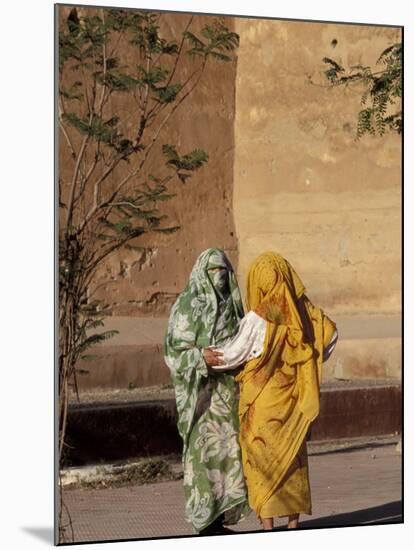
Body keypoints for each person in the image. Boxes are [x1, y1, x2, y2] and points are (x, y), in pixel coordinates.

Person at [209, 251, 338, 530]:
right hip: (294, 402)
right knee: (293, 461)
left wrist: (203, 356)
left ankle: (267, 528)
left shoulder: (259, 318)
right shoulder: (308, 313)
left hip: (263, 404)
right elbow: (330, 337)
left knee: (262, 462)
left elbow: (233, 355)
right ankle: (293, 524)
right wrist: (312, 361)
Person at [164, 248, 251, 535]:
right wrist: (201, 358)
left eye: (224, 271)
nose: (220, 277)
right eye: (214, 271)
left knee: (227, 455)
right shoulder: (187, 305)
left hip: (227, 395)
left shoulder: (233, 304)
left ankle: (219, 521)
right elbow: (172, 353)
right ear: (203, 272)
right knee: (202, 457)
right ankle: (204, 525)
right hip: (199, 399)